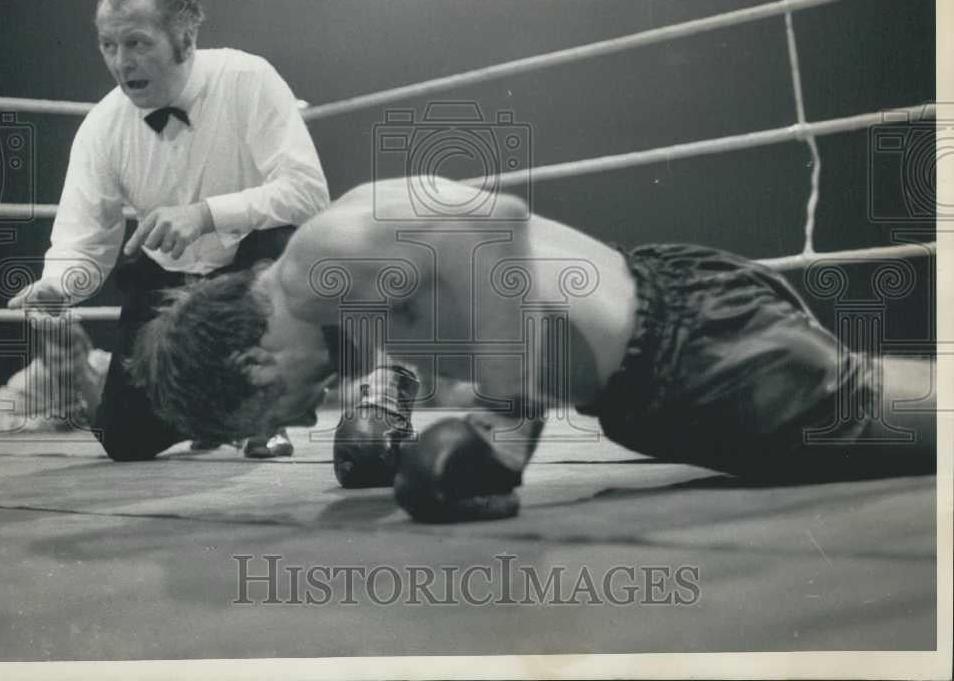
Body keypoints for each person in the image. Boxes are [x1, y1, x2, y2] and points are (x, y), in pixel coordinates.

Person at [129, 177, 937, 521]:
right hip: (674, 325)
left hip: (693, 363)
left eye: (274, 409)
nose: (302, 415)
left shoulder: (314, 269)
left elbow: (489, 224)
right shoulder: (338, 280)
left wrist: (506, 418)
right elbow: (456, 288)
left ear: (252, 366)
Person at [7, 0, 329, 461]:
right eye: (108, 44)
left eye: (136, 42)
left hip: (251, 270)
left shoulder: (248, 78)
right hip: (168, 281)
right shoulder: (103, 126)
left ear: (185, 37)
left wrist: (206, 214)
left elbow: (308, 194)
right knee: (123, 440)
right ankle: (212, 421)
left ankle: (268, 417)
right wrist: (58, 285)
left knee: (282, 239)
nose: (121, 62)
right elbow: (84, 237)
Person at [0, 319, 110, 435]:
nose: (68, 367)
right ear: (43, 360)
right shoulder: (26, 383)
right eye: (58, 360)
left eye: (74, 356)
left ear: (88, 349)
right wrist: (41, 423)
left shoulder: (108, 367)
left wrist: (92, 392)